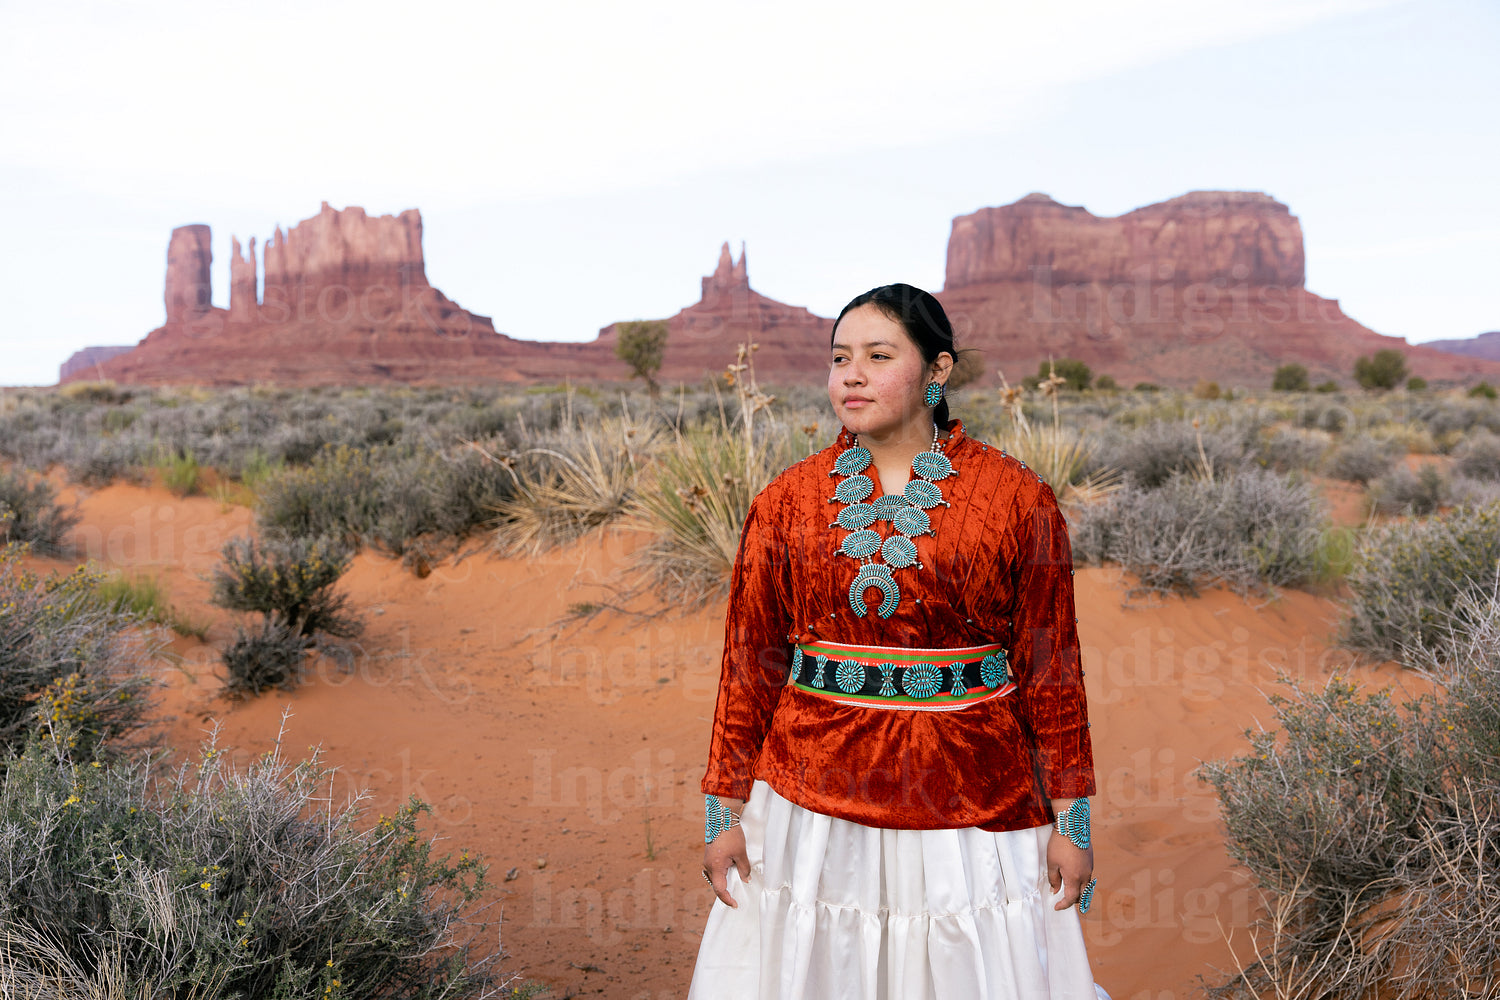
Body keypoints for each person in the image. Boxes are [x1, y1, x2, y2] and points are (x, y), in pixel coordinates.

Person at [687, 283, 1106, 1000]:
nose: (851, 375)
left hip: (971, 806)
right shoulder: (784, 502)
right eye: (839, 357)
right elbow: (750, 664)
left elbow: (1051, 668)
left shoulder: (1016, 499)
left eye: (878, 356)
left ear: (936, 370)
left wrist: (1073, 818)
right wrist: (724, 810)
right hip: (811, 804)